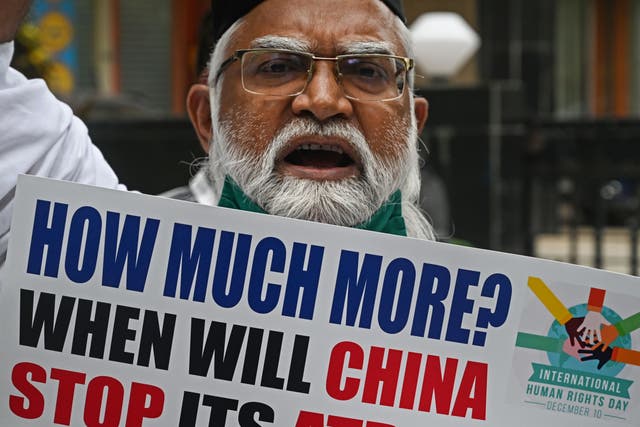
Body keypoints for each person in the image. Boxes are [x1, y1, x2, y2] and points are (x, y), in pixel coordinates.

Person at [0, 0, 435, 268]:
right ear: (206, 118)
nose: (322, 101)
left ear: (413, 123)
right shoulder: (108, 256)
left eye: (366, 71)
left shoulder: (476, 324)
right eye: (278, 66)